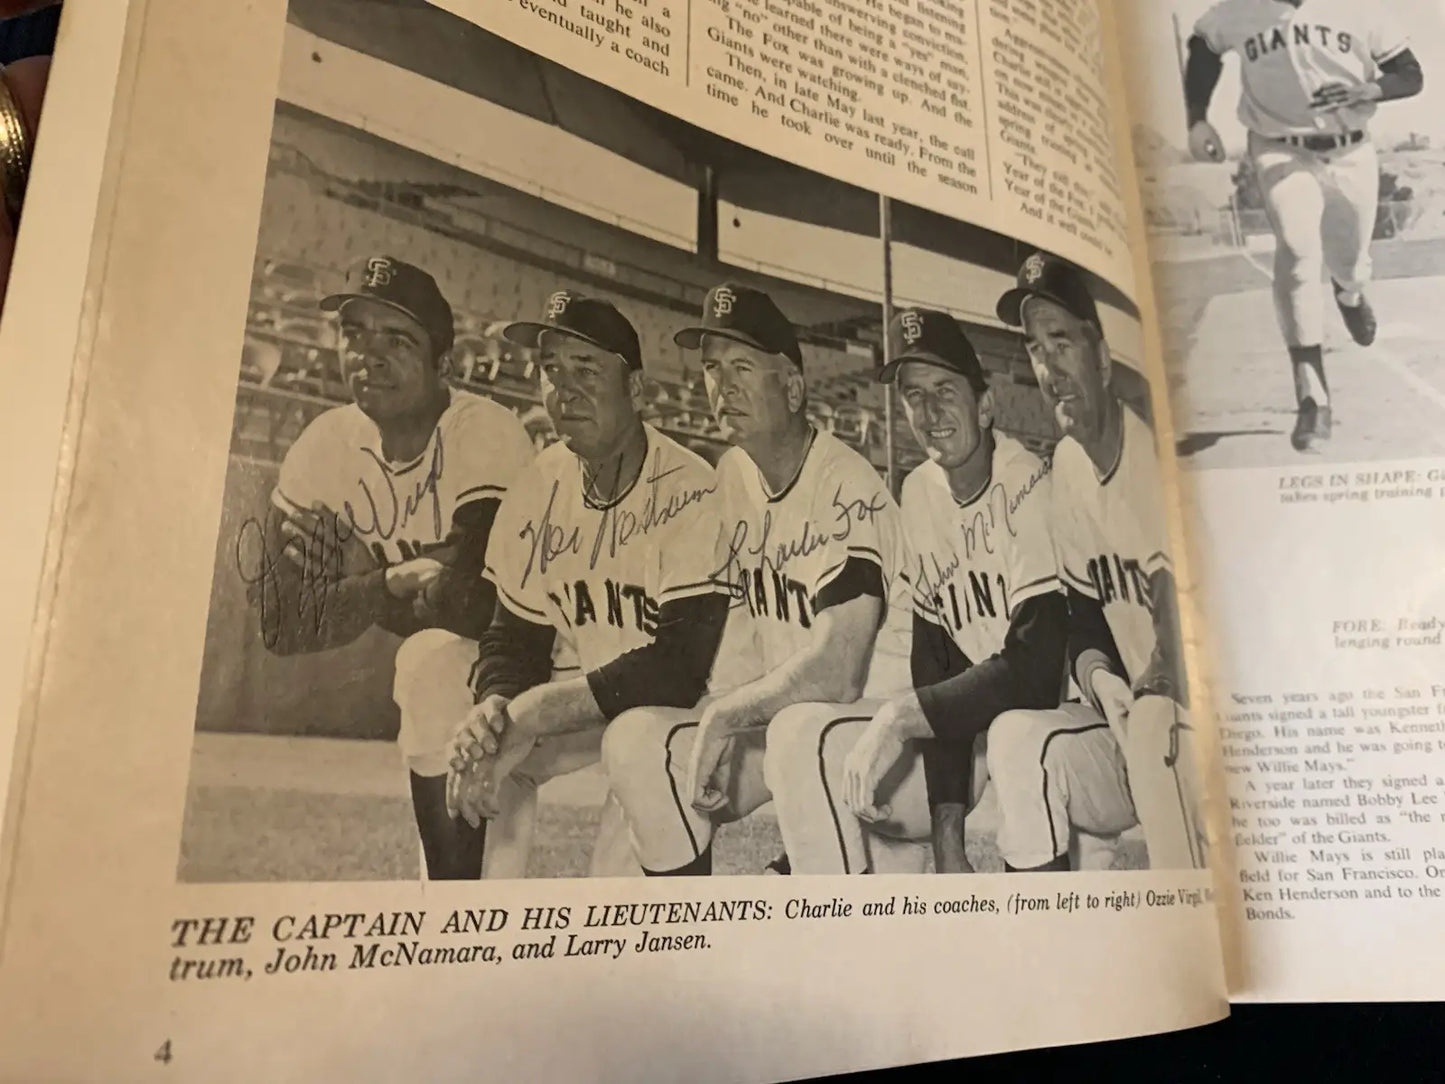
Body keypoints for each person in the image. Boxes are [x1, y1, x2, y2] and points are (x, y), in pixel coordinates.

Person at [771, 307, 1117, 874]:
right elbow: (937, 661)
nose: (929, 412)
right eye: (913, 395)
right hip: (1001, 727)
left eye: (944, 391)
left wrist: (900, 717)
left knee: (1014, 744)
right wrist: (947, 832)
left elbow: (1035, 669)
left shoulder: (1026, 483)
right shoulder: (920, 492)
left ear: (985, 406)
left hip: (1079, 719)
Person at [600, 282, 914, 876]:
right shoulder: (734, 474)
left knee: (792, 732)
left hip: (880, 744)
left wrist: (725, 716)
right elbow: (740, 645)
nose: (723, 385)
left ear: (793, 387)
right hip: (794, 728)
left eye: (743, 366)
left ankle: (852, 871)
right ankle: (686, 939)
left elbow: (840, 670)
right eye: (713, 369)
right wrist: (714, 713)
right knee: (638, 742)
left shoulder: (844, 483)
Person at [248, 254, 535, 879]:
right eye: (354, 333)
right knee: (432, 663)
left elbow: (477, 602)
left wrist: (353, 589)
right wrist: (388, 582)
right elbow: (281, 623)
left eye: (397, 339)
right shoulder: (326, 444)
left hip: (564, 659)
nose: (368, 354)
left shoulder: (483, 431)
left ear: (444, 365)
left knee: (431, 661)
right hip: (479, 685)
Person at [445, 291, 730, 878]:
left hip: (687, 708)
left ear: (637, 391)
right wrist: (495, 707)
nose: (563, 388)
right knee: (493, 751)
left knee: (630, 768)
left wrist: (537, 709)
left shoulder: (692, 489)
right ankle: (483, 932)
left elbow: (679, 667)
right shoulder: (539, 482)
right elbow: (512, 640)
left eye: (586, 368)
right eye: (551, 369)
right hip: (591, 689)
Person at [999, 252, 1205, 870]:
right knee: (1018, 738)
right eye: (1036, 349)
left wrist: (1149, 688)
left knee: (1150, 723)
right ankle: (1057, 938)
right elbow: (1084, 616)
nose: (1049, 366)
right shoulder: (1066, 465)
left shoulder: (1148, 456)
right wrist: (1103, 683)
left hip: (1208, 730)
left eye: (1062, 342)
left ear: (1104, 358)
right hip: (1141, 722)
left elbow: (1177, 615)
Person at [1184, 2, 1424, 452]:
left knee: (1350, 265)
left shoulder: (1358, 8)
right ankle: (1312, 395)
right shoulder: (1242, 10)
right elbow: (1203, 46)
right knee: (1296, 252)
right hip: (1278, 147)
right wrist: (1197, 118)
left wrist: (1369, 90)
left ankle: (1349, 292)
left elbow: (1410, 74)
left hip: (1351, 151)